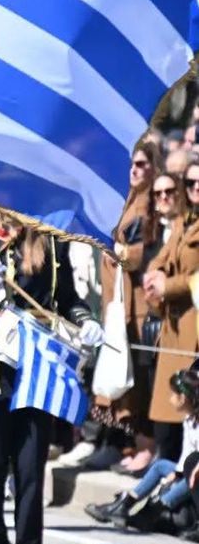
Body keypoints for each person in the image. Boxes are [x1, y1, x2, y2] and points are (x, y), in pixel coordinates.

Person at [0, 218, 102, 544]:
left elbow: (67, 298)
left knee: (30, 470)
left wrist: (85, 320)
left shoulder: (51, 243)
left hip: (37, 369)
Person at [90, 143, 161, 475]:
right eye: (132, 164)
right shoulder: (127, 200)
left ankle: (144, 448)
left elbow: (138, 253)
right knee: (119, 378)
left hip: (138, 308)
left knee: (138, 382)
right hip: (116, 306)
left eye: (142, 164)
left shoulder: (150, 205)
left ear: (154, 168)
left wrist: (117, 250)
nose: (135, 169)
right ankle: (121, 443)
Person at [86, 368, 199, 530]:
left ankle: (156, 508)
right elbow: (187, 451)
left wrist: (185, 473)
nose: (170, 399)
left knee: (191, 478)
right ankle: (125, 504)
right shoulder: (189, 419)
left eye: (173, 395)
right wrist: (177, 473)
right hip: (191, 468)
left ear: (183, 398)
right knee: (161, 466)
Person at [143, 165, 199, 464]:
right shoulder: (183, 222)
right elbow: (160, 259)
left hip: (193, 328)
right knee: (167, 427)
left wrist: (169, 285)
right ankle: (166, 485)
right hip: (172, 332)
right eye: (190, 183)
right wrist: (154, 276)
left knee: (190, 421)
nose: (196, 188)